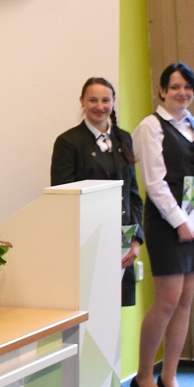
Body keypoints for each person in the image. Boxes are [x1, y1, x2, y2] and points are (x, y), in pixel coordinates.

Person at [131, 62, 194, 387]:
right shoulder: (150, 127)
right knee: (167, 300)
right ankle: (143, 376)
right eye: (175, 87)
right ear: (162, 91)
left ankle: (170, 375)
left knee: (185, 301)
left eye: (187, 87)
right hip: (166, 222)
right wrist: (180, 223)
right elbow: (154, 183)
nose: (182, 93)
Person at [50, 76, 144, 306]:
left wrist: (137, 240)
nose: (100, 106)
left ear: (113, 101)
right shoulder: (68, 142)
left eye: (105, 100)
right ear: (82, 101)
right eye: (93, 100)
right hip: (87, 241)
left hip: (121, 241)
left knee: (114, 312)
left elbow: (133, 194)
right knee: (89, 309)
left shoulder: (124, 139)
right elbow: (63, 199)